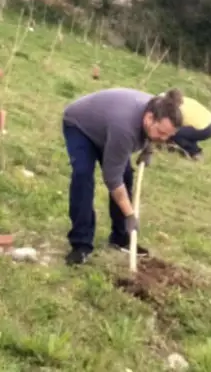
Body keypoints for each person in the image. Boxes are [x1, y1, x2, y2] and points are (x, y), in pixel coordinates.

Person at [60, 87, 184, 266]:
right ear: (149, 118)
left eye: (168, 135)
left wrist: (149, 148)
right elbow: (112, 178)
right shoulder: (125, 128)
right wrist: (130, 214)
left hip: (107, 127)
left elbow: (153, 135)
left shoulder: (160, 108)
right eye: (161, 133)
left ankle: (120, 237)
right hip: (81, 126)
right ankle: (81, 245)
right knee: (83, 176)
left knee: (126, 176)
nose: (163, 139)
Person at [168, 96, 211, 160]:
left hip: (205, 127)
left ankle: (195, 153)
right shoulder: (179, 99)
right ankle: (173, 144)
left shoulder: (174, 108)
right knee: (183, 132)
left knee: (174, 132)